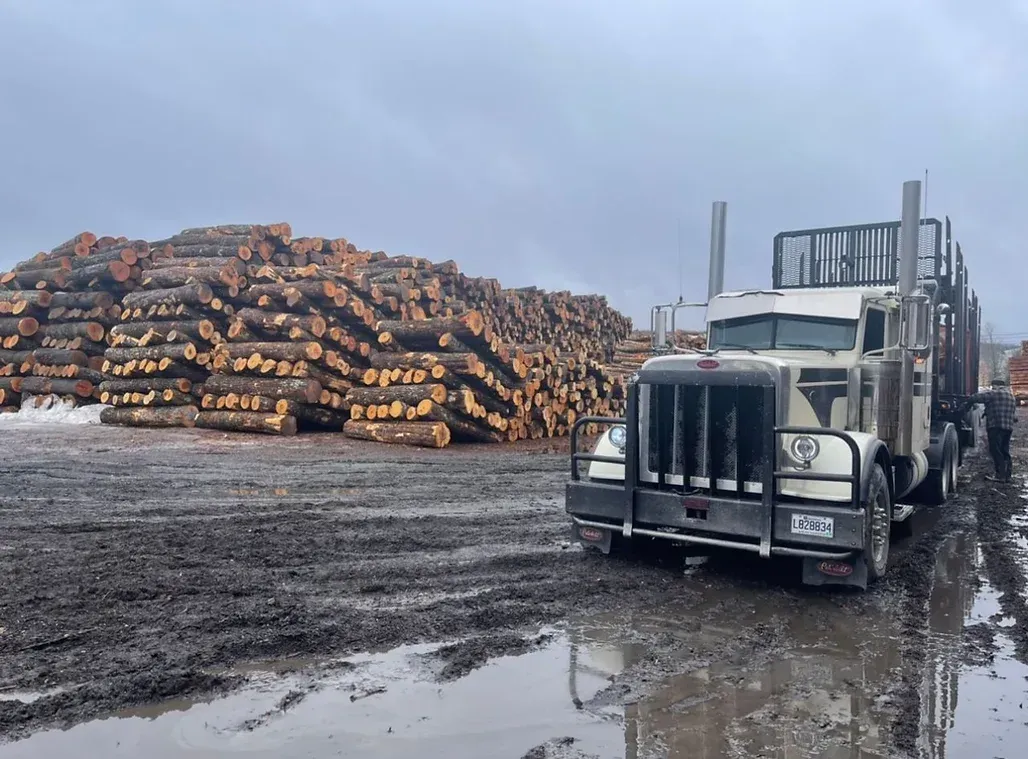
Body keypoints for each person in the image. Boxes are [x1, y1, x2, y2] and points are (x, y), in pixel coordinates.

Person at [966, 379, 1017, 482]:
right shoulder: (1011, 396)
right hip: (1008, 428)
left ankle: (1000, 476)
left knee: (995, 450)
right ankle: (1007, 475)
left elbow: (975, 397)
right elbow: (1014, 416)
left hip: (995, 426)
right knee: (1004, 450)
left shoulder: (994, 393)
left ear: (997, 386)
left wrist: (967, 404)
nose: (992, 388)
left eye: (993, 386)